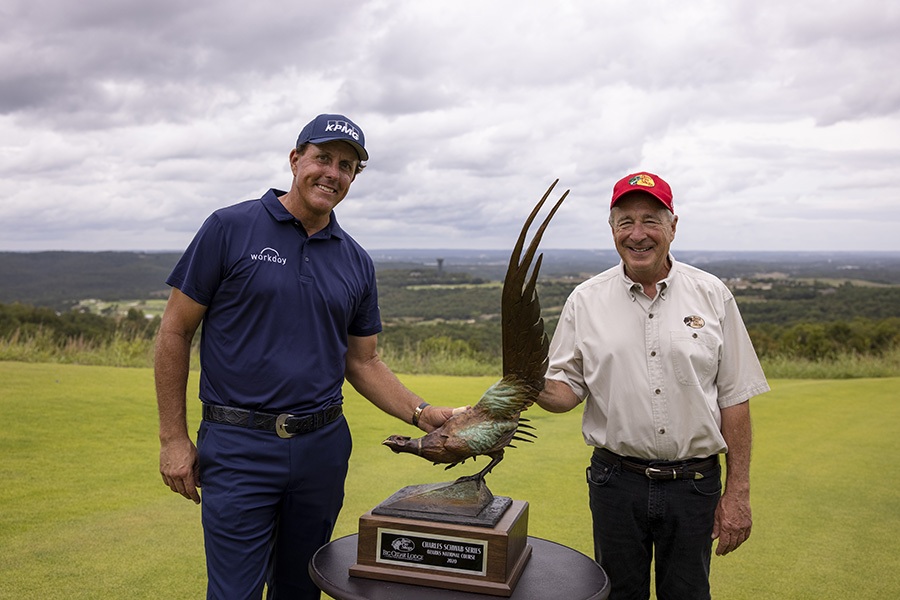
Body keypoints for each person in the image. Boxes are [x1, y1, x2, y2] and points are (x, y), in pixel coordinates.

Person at [154, 113, 455, 599]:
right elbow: (175, 329)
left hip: (321, 449)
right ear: (295, 160)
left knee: (301, 589)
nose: (332, 173)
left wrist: (424, 414)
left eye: (347, 165)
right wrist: (173, 438)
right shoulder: (229, 228)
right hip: (237, 446)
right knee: (235, 593)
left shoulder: (355, 260)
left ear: (354, 177)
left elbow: (363, 362)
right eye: (323, 158)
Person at [536, 172, 769, 600]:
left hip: (694, 484)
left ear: (673, 226)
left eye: (651, 220)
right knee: (617, 594)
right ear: (611, 229)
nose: (637, 233)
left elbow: (735, 399)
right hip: (615, 482)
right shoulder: (585, 300)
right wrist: (527, 380)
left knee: (688, 594)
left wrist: (738, 494)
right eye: (625, 221)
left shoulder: (713, 295)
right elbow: (565, 392)